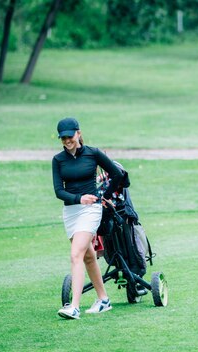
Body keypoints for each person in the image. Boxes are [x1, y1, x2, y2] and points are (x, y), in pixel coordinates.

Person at [52, 117, 123, 320]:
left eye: (70, 136)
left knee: (75, 255)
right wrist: (78, 198)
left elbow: (117, 175)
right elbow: (58, 191)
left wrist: (103, 198)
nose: (67, 141)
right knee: (88, 256)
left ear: (79, 133)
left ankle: (74, 306)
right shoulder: (58, 160)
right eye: (63, 138)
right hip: (71, 212)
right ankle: (103, 299)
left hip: (91, 210)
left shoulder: (93, 153)